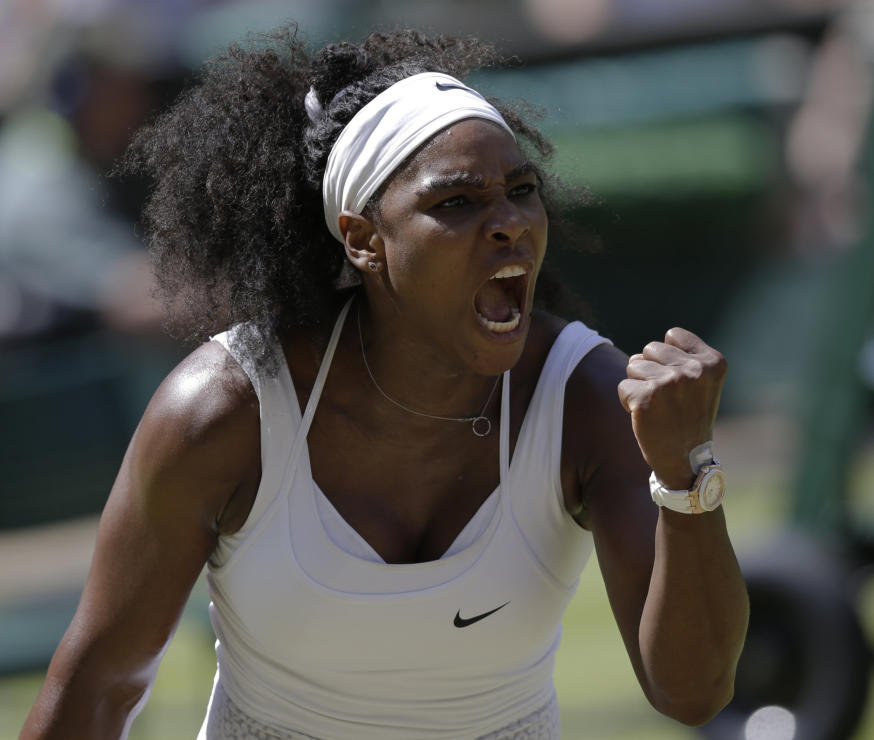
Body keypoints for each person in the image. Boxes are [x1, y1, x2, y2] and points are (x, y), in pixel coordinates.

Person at [20, 28, 749, 740]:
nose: (509, 225)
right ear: (365, 239)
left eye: (521, 191)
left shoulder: (587, 397)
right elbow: (98, 689)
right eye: (456, 202)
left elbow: (691, 692)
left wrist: (685, 473)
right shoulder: (223, 411)